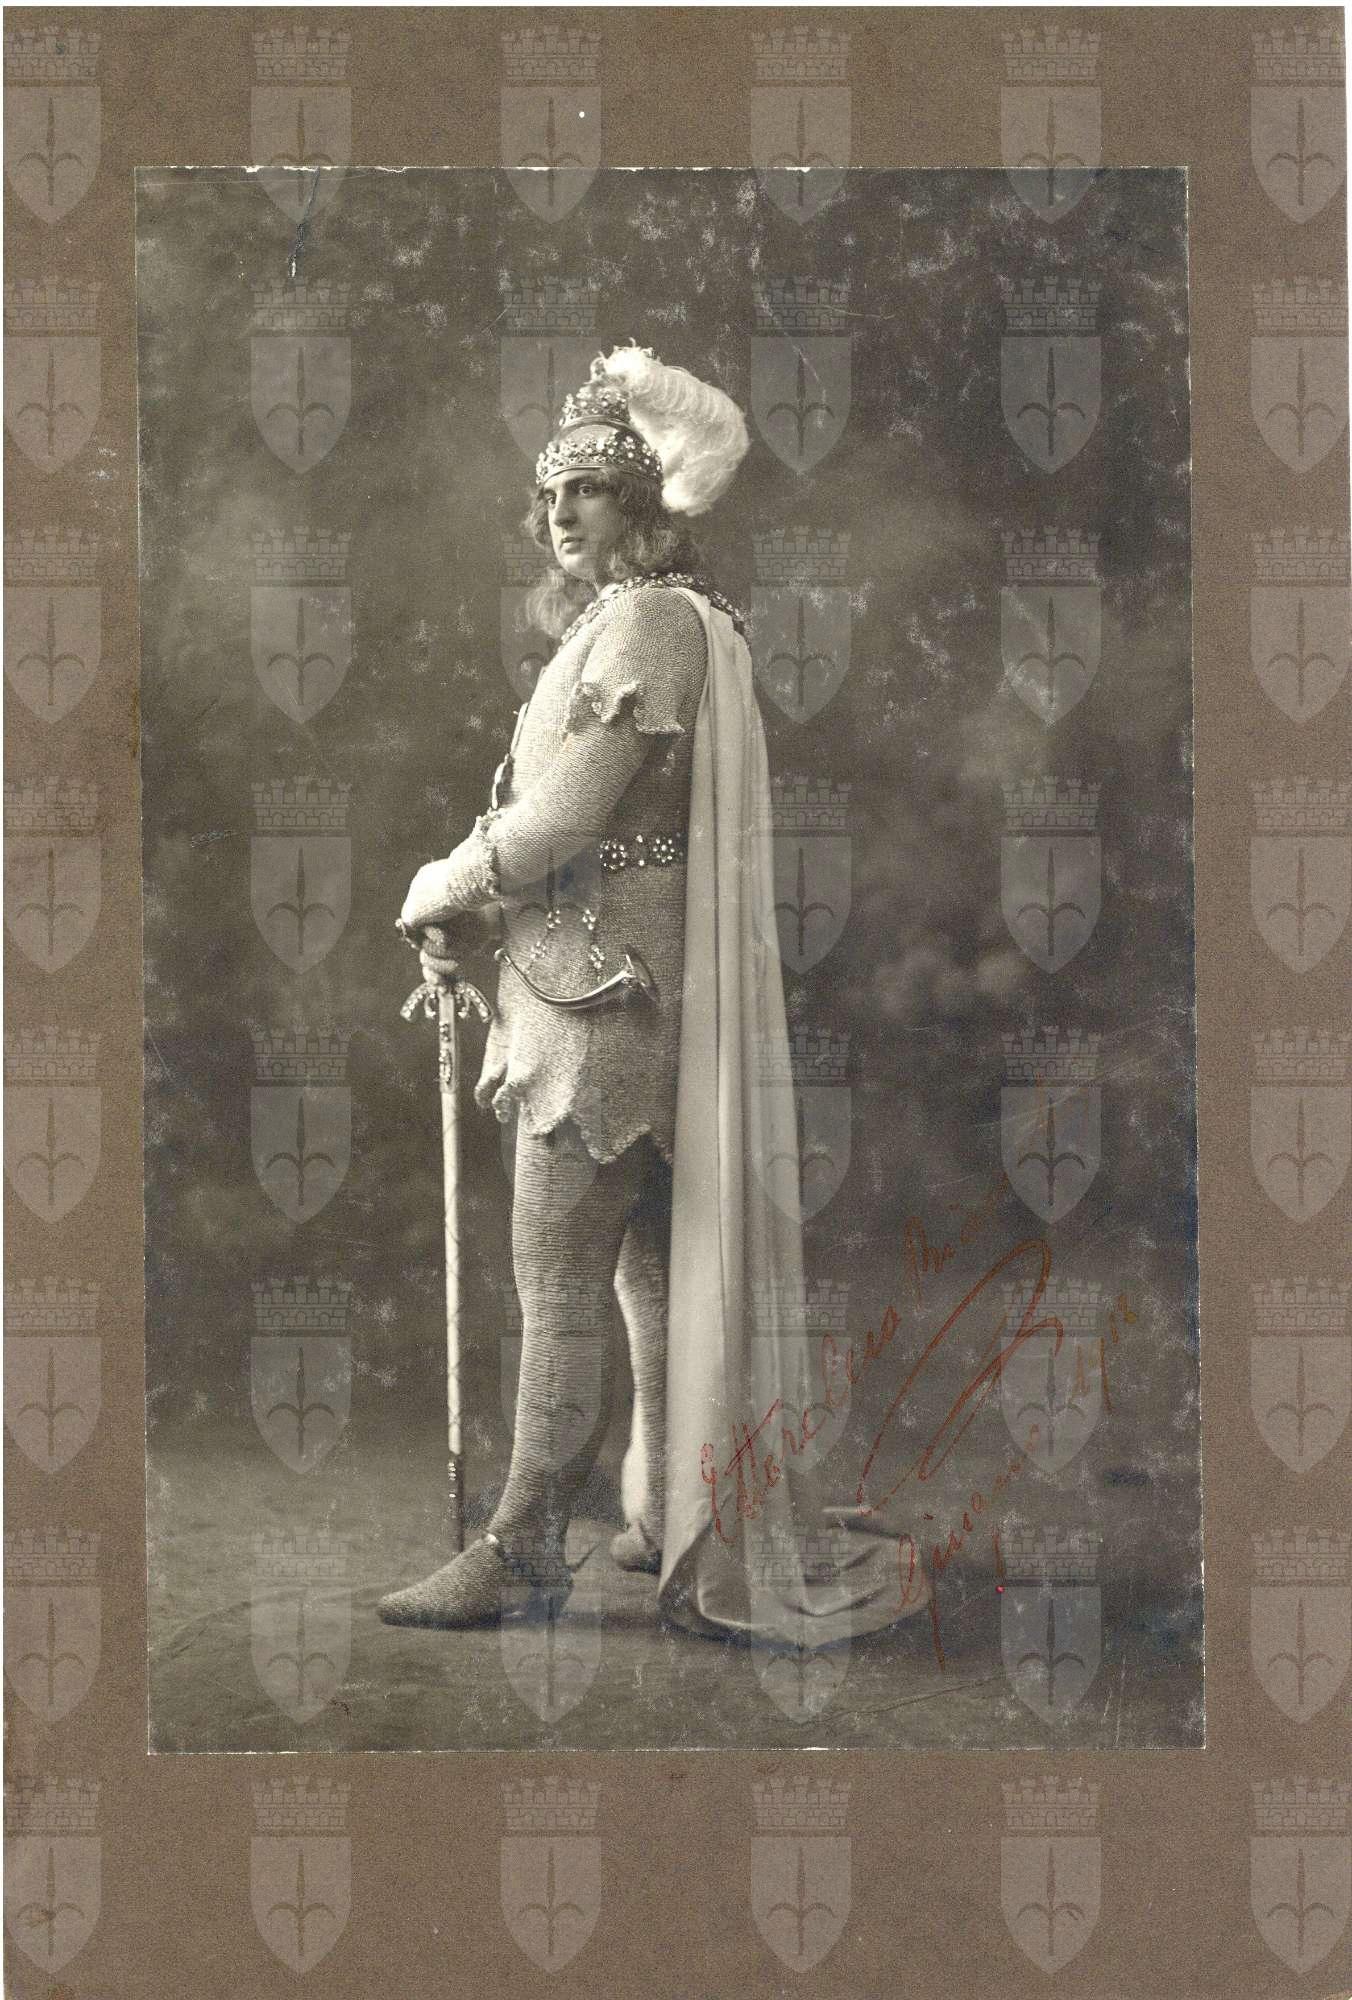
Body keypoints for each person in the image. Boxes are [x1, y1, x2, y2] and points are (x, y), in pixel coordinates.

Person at [378, 345, 932, 1648]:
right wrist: (483, 907)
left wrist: (441, 880)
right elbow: (607, 840)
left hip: (600, 1011)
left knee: (559, 1277)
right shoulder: (675, 621)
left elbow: (562, 826)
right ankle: (675, 1512)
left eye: (588, 490)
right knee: (643, 1268)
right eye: (550, 493)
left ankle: (524, 1550)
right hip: (621, 992)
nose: (560, 514)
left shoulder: (646, 625)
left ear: (647, 506)